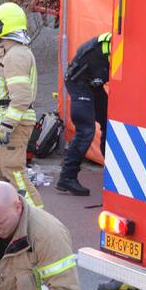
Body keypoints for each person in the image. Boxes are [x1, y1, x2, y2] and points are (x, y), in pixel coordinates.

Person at [0, 3, 44, 209]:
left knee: (14, 172)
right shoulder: (10, 54)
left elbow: (21, 97)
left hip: (15, 123)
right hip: (9, 121)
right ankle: (1, 217)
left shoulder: (17, 55)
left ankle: (38, 220)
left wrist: (8, 125)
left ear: (3, 25)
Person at [56, 32, 111, 196]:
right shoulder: (111, 42)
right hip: (78, 82)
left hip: (93, 83)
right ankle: (67, 177)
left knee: (110, 122)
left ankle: (112, 170)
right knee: (86, 130)